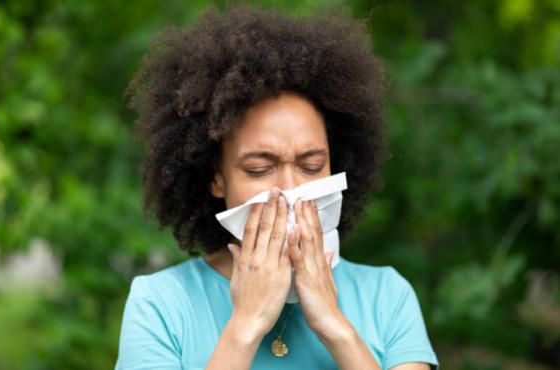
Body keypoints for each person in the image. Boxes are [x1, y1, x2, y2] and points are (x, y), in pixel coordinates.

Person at [115, 4, 439, 370]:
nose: (290, 188)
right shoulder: (160, 304)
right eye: (259, 168)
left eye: (311, 165)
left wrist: (334, 326)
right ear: (216, 178)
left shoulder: (386, 297)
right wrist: (245, 326)